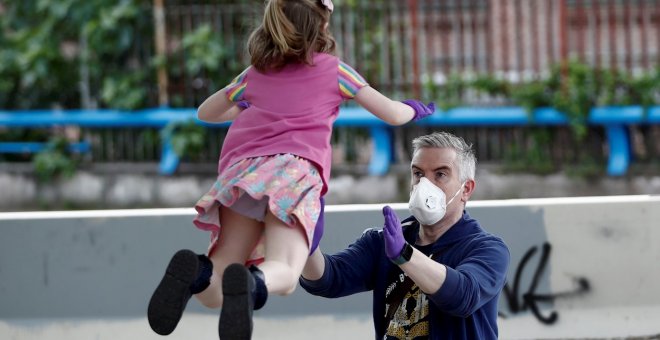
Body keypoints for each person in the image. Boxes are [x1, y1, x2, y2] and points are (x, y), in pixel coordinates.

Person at [147, 0, 435, 339]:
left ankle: (196, 271)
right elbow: (391, 113)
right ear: (322, 27)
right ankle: (255, 283)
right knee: (284, 270)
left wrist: (243, 104)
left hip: (245, 175)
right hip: (293, 174)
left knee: (218, 279)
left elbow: (205, 113)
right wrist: (416, 109)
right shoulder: (334, 70)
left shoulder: (256, 72)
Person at [300, 131, 510, 339]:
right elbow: (327, 279)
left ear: (466, 189)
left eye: (440, 174)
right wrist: (305, 244)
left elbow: (463, 297)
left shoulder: (488, 249)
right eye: (418, 174)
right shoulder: (383, 241)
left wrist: (404, 255)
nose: (425, 185)